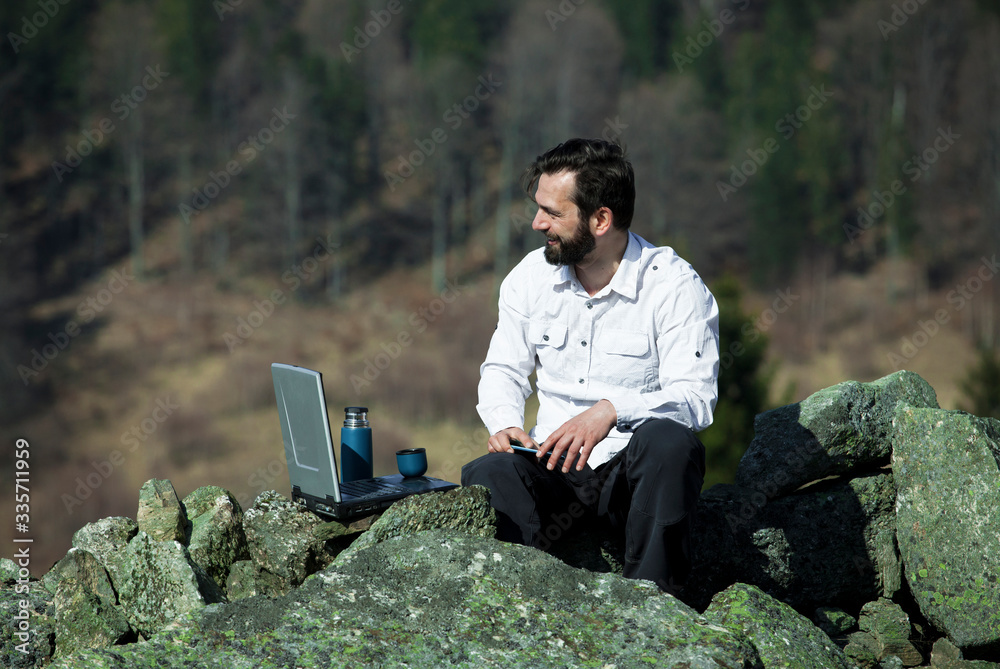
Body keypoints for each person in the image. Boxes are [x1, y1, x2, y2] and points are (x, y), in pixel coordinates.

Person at [461, 138, 719, 594]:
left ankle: (655, 609)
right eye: (538, 208)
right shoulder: (529, 277)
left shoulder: (675, 286)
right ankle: (515, 610)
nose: (538, 223)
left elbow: (695, 400)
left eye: (553, 213)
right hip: (551, 468)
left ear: (601, 219)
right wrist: (504, 423)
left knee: (670, 442)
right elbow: (502, 368)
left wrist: (612, 410)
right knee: (490, 471)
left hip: (632, 479)